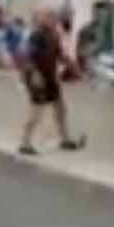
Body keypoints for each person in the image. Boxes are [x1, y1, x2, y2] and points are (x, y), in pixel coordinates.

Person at [19, 10, 85, 155]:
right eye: (49, 17)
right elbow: (28, 57)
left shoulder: (54, 35)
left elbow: (60, 55)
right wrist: (35, 74)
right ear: (42, 19)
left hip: (49, 76)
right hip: (37, 75)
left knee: (60, 108)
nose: (53, 20)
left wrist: (73, 68)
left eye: (54, 18)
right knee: (36, 111)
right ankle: (25, 142)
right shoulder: (36, 36)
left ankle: (65, 139)